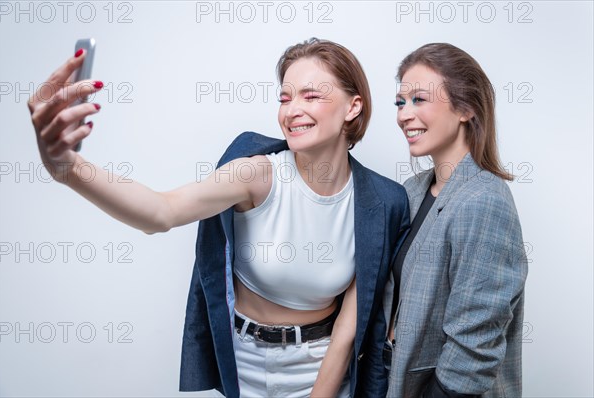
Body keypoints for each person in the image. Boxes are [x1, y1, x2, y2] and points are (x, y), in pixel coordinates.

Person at [27, 38, 409, 397]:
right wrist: (68, 168)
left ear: (353, 107)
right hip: (242, 363)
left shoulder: (382, 202)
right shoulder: (256, 174)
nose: (292, 110)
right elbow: (161, 211)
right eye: (285, 97)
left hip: (321, 368)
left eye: (311, 96)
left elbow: (348, 329)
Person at [375, 43, 528, 397]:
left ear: (465, 108)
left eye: (419, 99)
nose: (403, 114)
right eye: (400, 102)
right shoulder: (412, 191)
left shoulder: (484, 200)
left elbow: (475, 344)